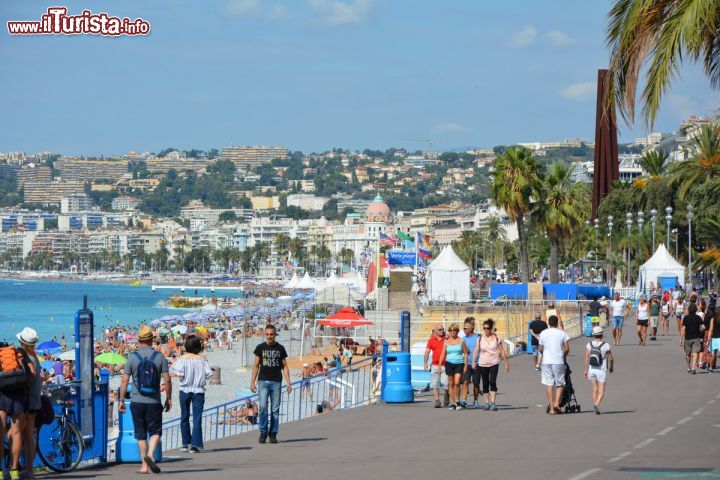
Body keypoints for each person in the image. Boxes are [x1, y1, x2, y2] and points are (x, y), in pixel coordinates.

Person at [119, 326, 171, 474]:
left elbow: (124, 381)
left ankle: (144, 466)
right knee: (155, 431)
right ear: (151, 340)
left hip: (137, 401)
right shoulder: (160, 357)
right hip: (154, 401)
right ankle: (150, 455)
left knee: (140, 434)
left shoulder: (132, 357)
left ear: (139, 340)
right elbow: (167, 380)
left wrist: (122, 400)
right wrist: (169, 398)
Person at [170, 335, 213, 453]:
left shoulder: (183, 358)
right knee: (197, 417)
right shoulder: (202, 359)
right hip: (198, 390)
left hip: (184, 389)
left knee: (184, 416)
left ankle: (186, 443)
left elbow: (179, 373)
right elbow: (209, 374)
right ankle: (195, 444)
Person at [250, 325, 291, 444]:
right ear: (265, 334)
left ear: (275, 334)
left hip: (276, 382)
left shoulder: (280, 348)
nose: (269, 337)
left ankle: (273, 433)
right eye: (267, 334)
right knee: (262, 407)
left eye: (271, 334)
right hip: (263, 381)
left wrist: (289, 383)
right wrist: (252, 382)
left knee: (275, 409)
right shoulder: (260, 348)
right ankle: (263, 431)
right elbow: (256, 366)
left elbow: (285, 366)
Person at [16, 328, 39, 480]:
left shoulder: (26, 358)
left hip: (28, 400)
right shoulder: (34, 357)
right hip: (35, 399)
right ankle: (29, 469)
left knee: (17, 433)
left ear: (21, 342)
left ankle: (15, 468)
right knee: (28, 435)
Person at [472, 319, 509, 411]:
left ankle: (493, 402)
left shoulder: (496, 338)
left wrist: (506, 363)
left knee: (492, 381)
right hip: (482, 363)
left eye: (488, 328)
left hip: (494, 363)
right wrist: (473, 361)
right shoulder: (480, 338)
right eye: (484, 328)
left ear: (491, 328)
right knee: (485, 383)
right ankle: (486, 403)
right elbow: (476, 350)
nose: (486, 330)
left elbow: (502, 350)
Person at [538, 315, 570, 415]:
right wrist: (563, 356)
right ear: (557, 323)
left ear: (548, 323)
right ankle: (556, 403)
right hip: (558, 360)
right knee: (559, 383)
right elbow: (567, 348)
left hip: (546, 361)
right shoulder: (562, 333)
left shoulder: (543, 333)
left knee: (549, 384)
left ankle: (551, 408)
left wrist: (545, 353)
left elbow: (540, 348)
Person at [583, 326, 613, 415]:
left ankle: (595, 405)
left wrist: (586, 370)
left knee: (594, 389)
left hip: (592, 369)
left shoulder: (589, 344)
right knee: (601, 390)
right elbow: (611, 357)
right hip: (601, 370)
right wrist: (611, 366)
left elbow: (586, 359)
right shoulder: (605, 345)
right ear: (602, 334)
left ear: (594, 335)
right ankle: (596, 404)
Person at [438, 323, 468, 410]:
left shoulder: (461, 341)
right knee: (450, 384)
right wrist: (440, 365)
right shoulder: (446, 342)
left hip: (459, 363)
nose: (452, 332)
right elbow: (443, 354)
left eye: (454, 330)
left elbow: (465, 353)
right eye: (451, 330)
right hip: (449, 363)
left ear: (457, 331)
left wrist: (465, 365)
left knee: (457, 383)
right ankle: (452, 402)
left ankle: (458, 401)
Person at [423, 324, 448, 408]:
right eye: (440, 329)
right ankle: (437, 400)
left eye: (443, 329)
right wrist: (425, 363)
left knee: (446, 383)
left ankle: (446, 394)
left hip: (445, 364)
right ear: (436, 331)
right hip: (435, 365)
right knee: (434, 383)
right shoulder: (431, 340)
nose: (442, 331)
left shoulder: (447, 339)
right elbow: (427, 352)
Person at [459, 318, 480, 409]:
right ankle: (464, 400)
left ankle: (475, 401)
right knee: (465, 381)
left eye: (465, 328)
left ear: (471, 328)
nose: (464, 330)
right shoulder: (463, 339)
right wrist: (464, 350)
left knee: (476, 383)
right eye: (463, 328)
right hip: (466, 363)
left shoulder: (479, 337)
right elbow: (459, 350)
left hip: (477, 363)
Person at [680, 303, 705, 374]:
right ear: (695, 310)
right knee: (695, 352)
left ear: (689, 310)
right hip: (696, 337)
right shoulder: (698, 317)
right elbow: (703, 327)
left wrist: (681, 338)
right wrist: (700, 330)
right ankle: (693, 368)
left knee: (688, 354)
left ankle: (688, 367)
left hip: (688, 338)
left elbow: (683, 328)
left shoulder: (686, 318)